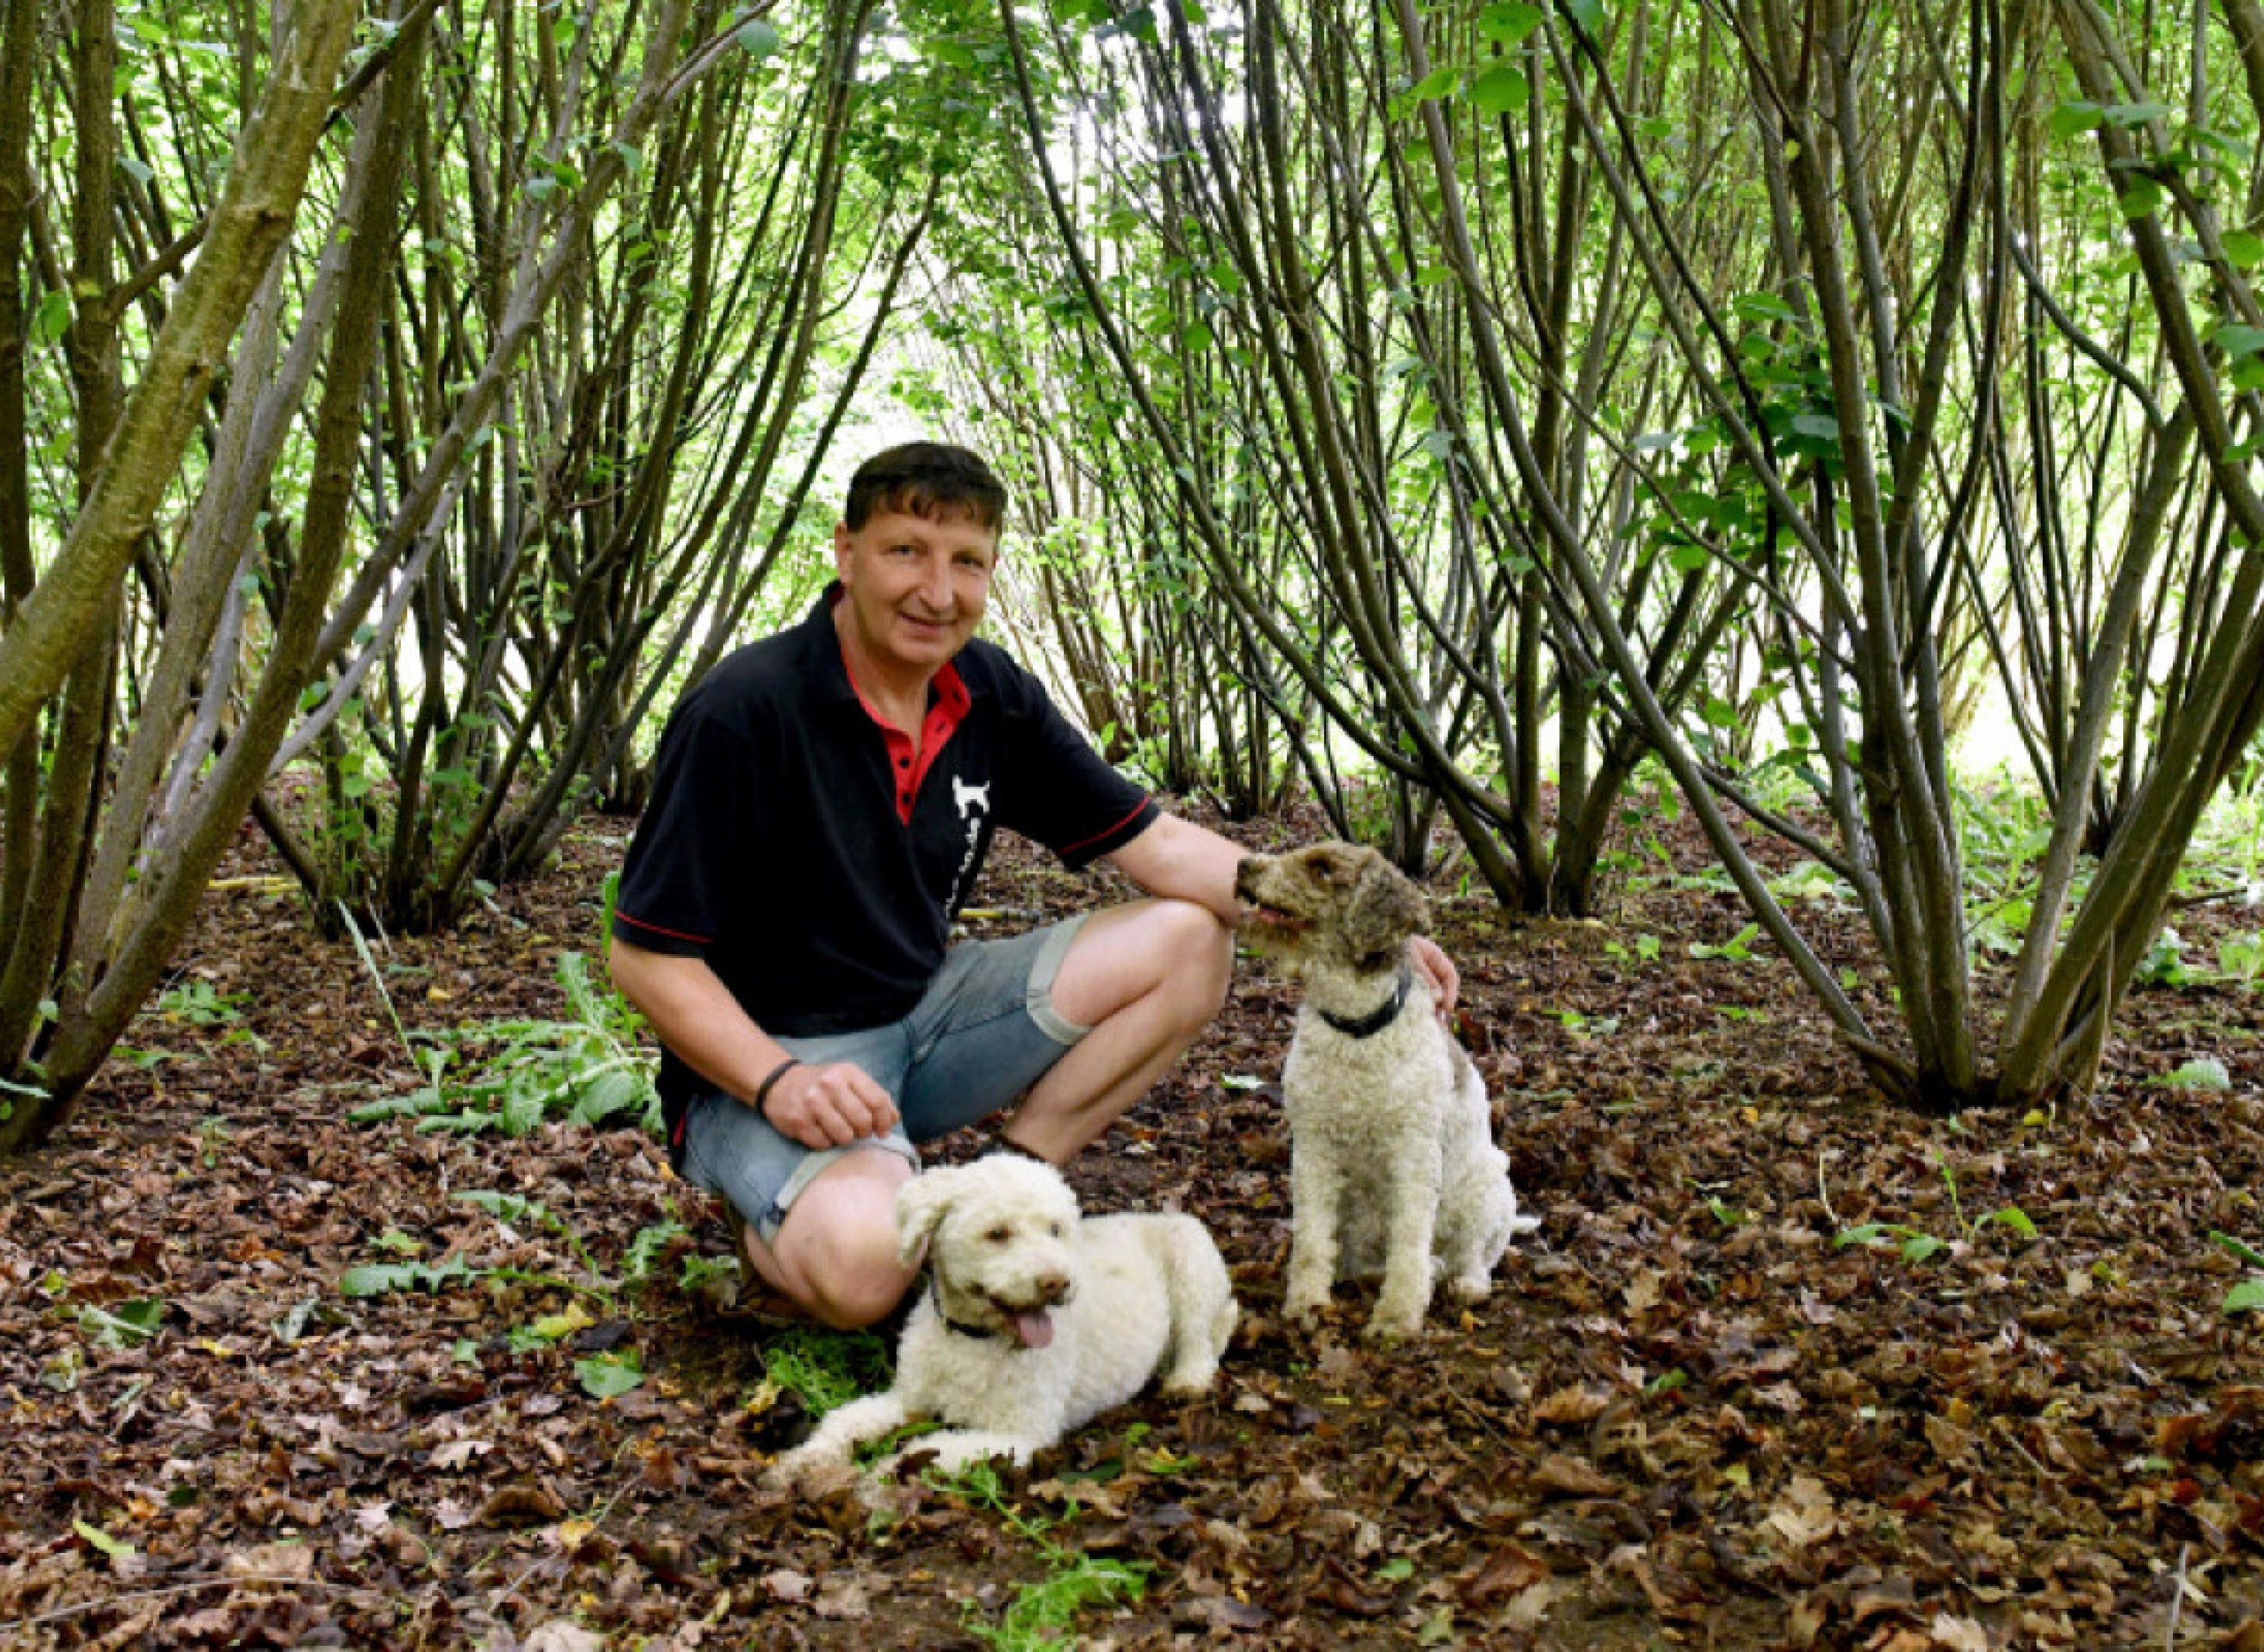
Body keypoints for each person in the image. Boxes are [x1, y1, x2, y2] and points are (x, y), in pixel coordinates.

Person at [608, 442, 1456, 1328]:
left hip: (926, 1012)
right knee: (867, 1274)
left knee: (1191, 937)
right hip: (774, 1060)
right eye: (906, 552)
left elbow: (1159, 847)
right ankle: (785, 1219)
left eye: (966, 563)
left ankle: (999, 1189)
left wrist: (1361, 924)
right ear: (845, 552)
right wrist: (778, 1081)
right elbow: (646, 960)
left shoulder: (989, 694)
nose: (938, 593)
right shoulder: (745, 711)